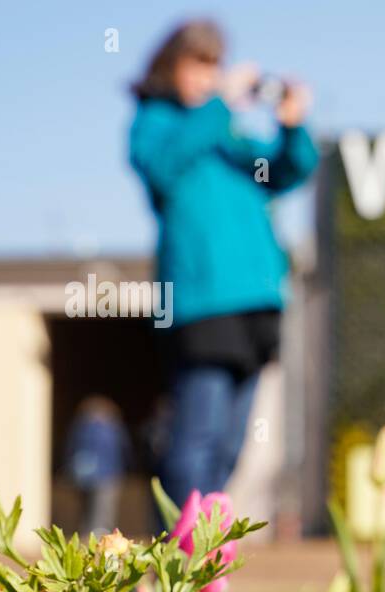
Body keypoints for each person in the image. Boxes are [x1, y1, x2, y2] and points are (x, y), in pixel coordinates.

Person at [128, 20, 316, 511]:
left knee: (231, 445)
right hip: (201, 304)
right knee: (196, 438)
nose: (207, 77)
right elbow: (161, 164)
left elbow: (285, 169)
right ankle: (175, 558)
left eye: (214, 65)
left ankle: (201, 556)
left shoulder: (226, 137)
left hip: (257, 302)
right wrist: (222, 104)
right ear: (171, 67)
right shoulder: (157, 123)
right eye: (198, 64)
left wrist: (292, 124)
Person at [65, 396, 132, 536]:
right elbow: (124, 450)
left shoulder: (80, 427)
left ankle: (86, 535)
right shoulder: (113, 428)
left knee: (87, 509)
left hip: (83, 476)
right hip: (108, 474)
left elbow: (70, 450)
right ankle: (101, 536)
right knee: (104, 510)